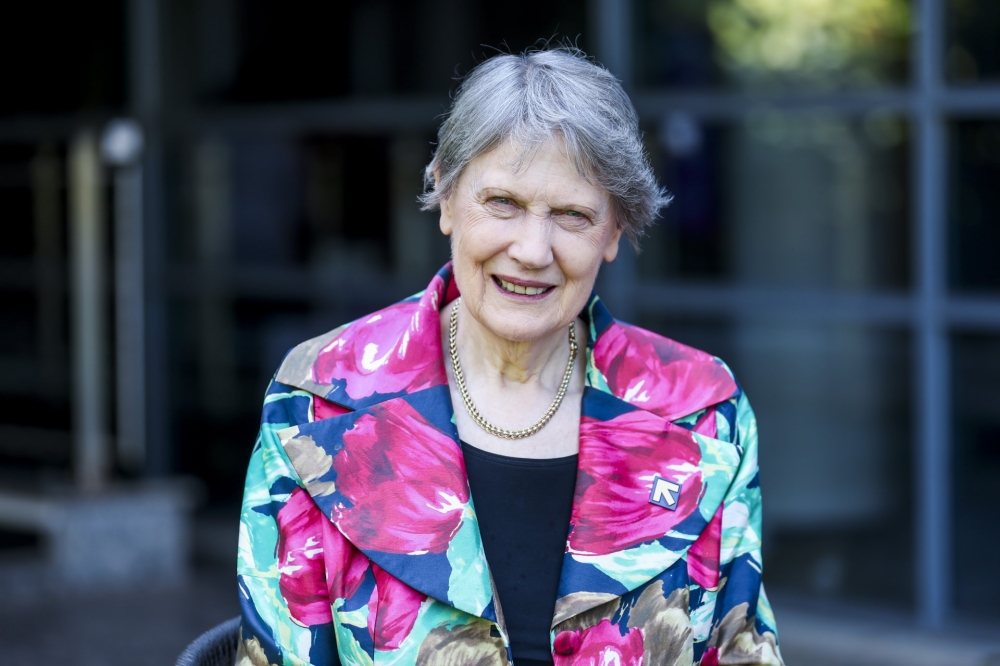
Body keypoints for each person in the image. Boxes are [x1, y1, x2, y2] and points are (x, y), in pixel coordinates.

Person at [236, 46, 783, 666]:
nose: (532, 249)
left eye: (573, 215)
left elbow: (742, 651)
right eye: (503, 203)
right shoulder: (316, 399)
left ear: (614, 232)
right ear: (445, 195)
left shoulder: (704, 412)